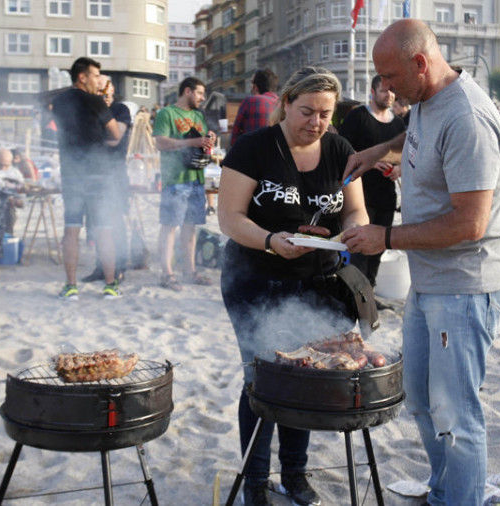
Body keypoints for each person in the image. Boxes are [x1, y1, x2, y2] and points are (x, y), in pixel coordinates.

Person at [341, 20, 500, 505]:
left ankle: (460, 499)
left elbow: (470, 224)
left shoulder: (467, 118)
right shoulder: (424, 101)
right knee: (418, 399)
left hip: (466, 285)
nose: (385, 89)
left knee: (456, 414)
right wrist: (378, 150)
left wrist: (387, 236)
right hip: (429, 280)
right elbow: (413, 139)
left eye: (391, 77)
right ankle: (447, 491)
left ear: (420, 63)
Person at [218, 66, 369, 506]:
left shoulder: (340, 148)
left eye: (326, 113)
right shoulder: (254, 148)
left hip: (318, 282)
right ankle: (256, 482)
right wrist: (270, 241)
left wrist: (354, 232)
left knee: (305, 378)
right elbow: (229, 218)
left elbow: (353, 211)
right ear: (286, 103)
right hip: (256, 279)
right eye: (307, 111)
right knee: (265, 379)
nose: (317, 122)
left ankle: (295, 474)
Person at [50, 56, 126, 300]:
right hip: (98, 173)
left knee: (71, 230)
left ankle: (71, 286)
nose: (98, 81)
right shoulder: (95, 101)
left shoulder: (58, 102)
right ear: (82, 77)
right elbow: (115, 135)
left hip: (71, 173)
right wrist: (98, 139)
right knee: (104, 230)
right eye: (95, 76)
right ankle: (110, 285)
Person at [338, 74, 405, 288]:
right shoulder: (357, 117)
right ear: (373, 93)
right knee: (358, 247)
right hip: (361, 194)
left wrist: (399, 169)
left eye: (392, 91)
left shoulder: (398, 123)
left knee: (379, 247)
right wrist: (371, 161)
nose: (389, 95)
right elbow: (342, 150)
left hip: (386, 194)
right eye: (384, 90)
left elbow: (405, 153)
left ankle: (370, 293)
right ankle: (356, 293)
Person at [153, 76, 216, 291]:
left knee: (190, 228)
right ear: (187, 91)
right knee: (170, 226)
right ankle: (167, 273)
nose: (202, 98)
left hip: (196, 179)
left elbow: (200, 145)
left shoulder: (199, 116)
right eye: (199, 93)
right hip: (175, 179)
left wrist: (208, 141)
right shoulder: (167, 113)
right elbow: (161, 143)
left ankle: (189, 271)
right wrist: (192, 141)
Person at [81, 78, 132, 284]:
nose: (105, 94)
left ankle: (118, 266)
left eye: (108, 90)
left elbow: (116, 137)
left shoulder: (120, 110)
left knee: (114, 222)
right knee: (95, 224)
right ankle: (100, 267)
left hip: (114, 175)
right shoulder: (90, 112)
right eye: (101, 91)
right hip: (92, 173)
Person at [230, 68, 279, 146]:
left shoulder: (249, 101)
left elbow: (235, 136)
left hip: (252, 153)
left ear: (255, 87)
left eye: (252, 83)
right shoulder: (283, 105)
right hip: (277, 154)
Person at [0, 148, 24, 235]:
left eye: (6, 166)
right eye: (0, 165)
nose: (2, 168)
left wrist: (15, 201)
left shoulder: (15, 174)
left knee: (8, 213)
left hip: (6, 210)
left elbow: (22, 201)